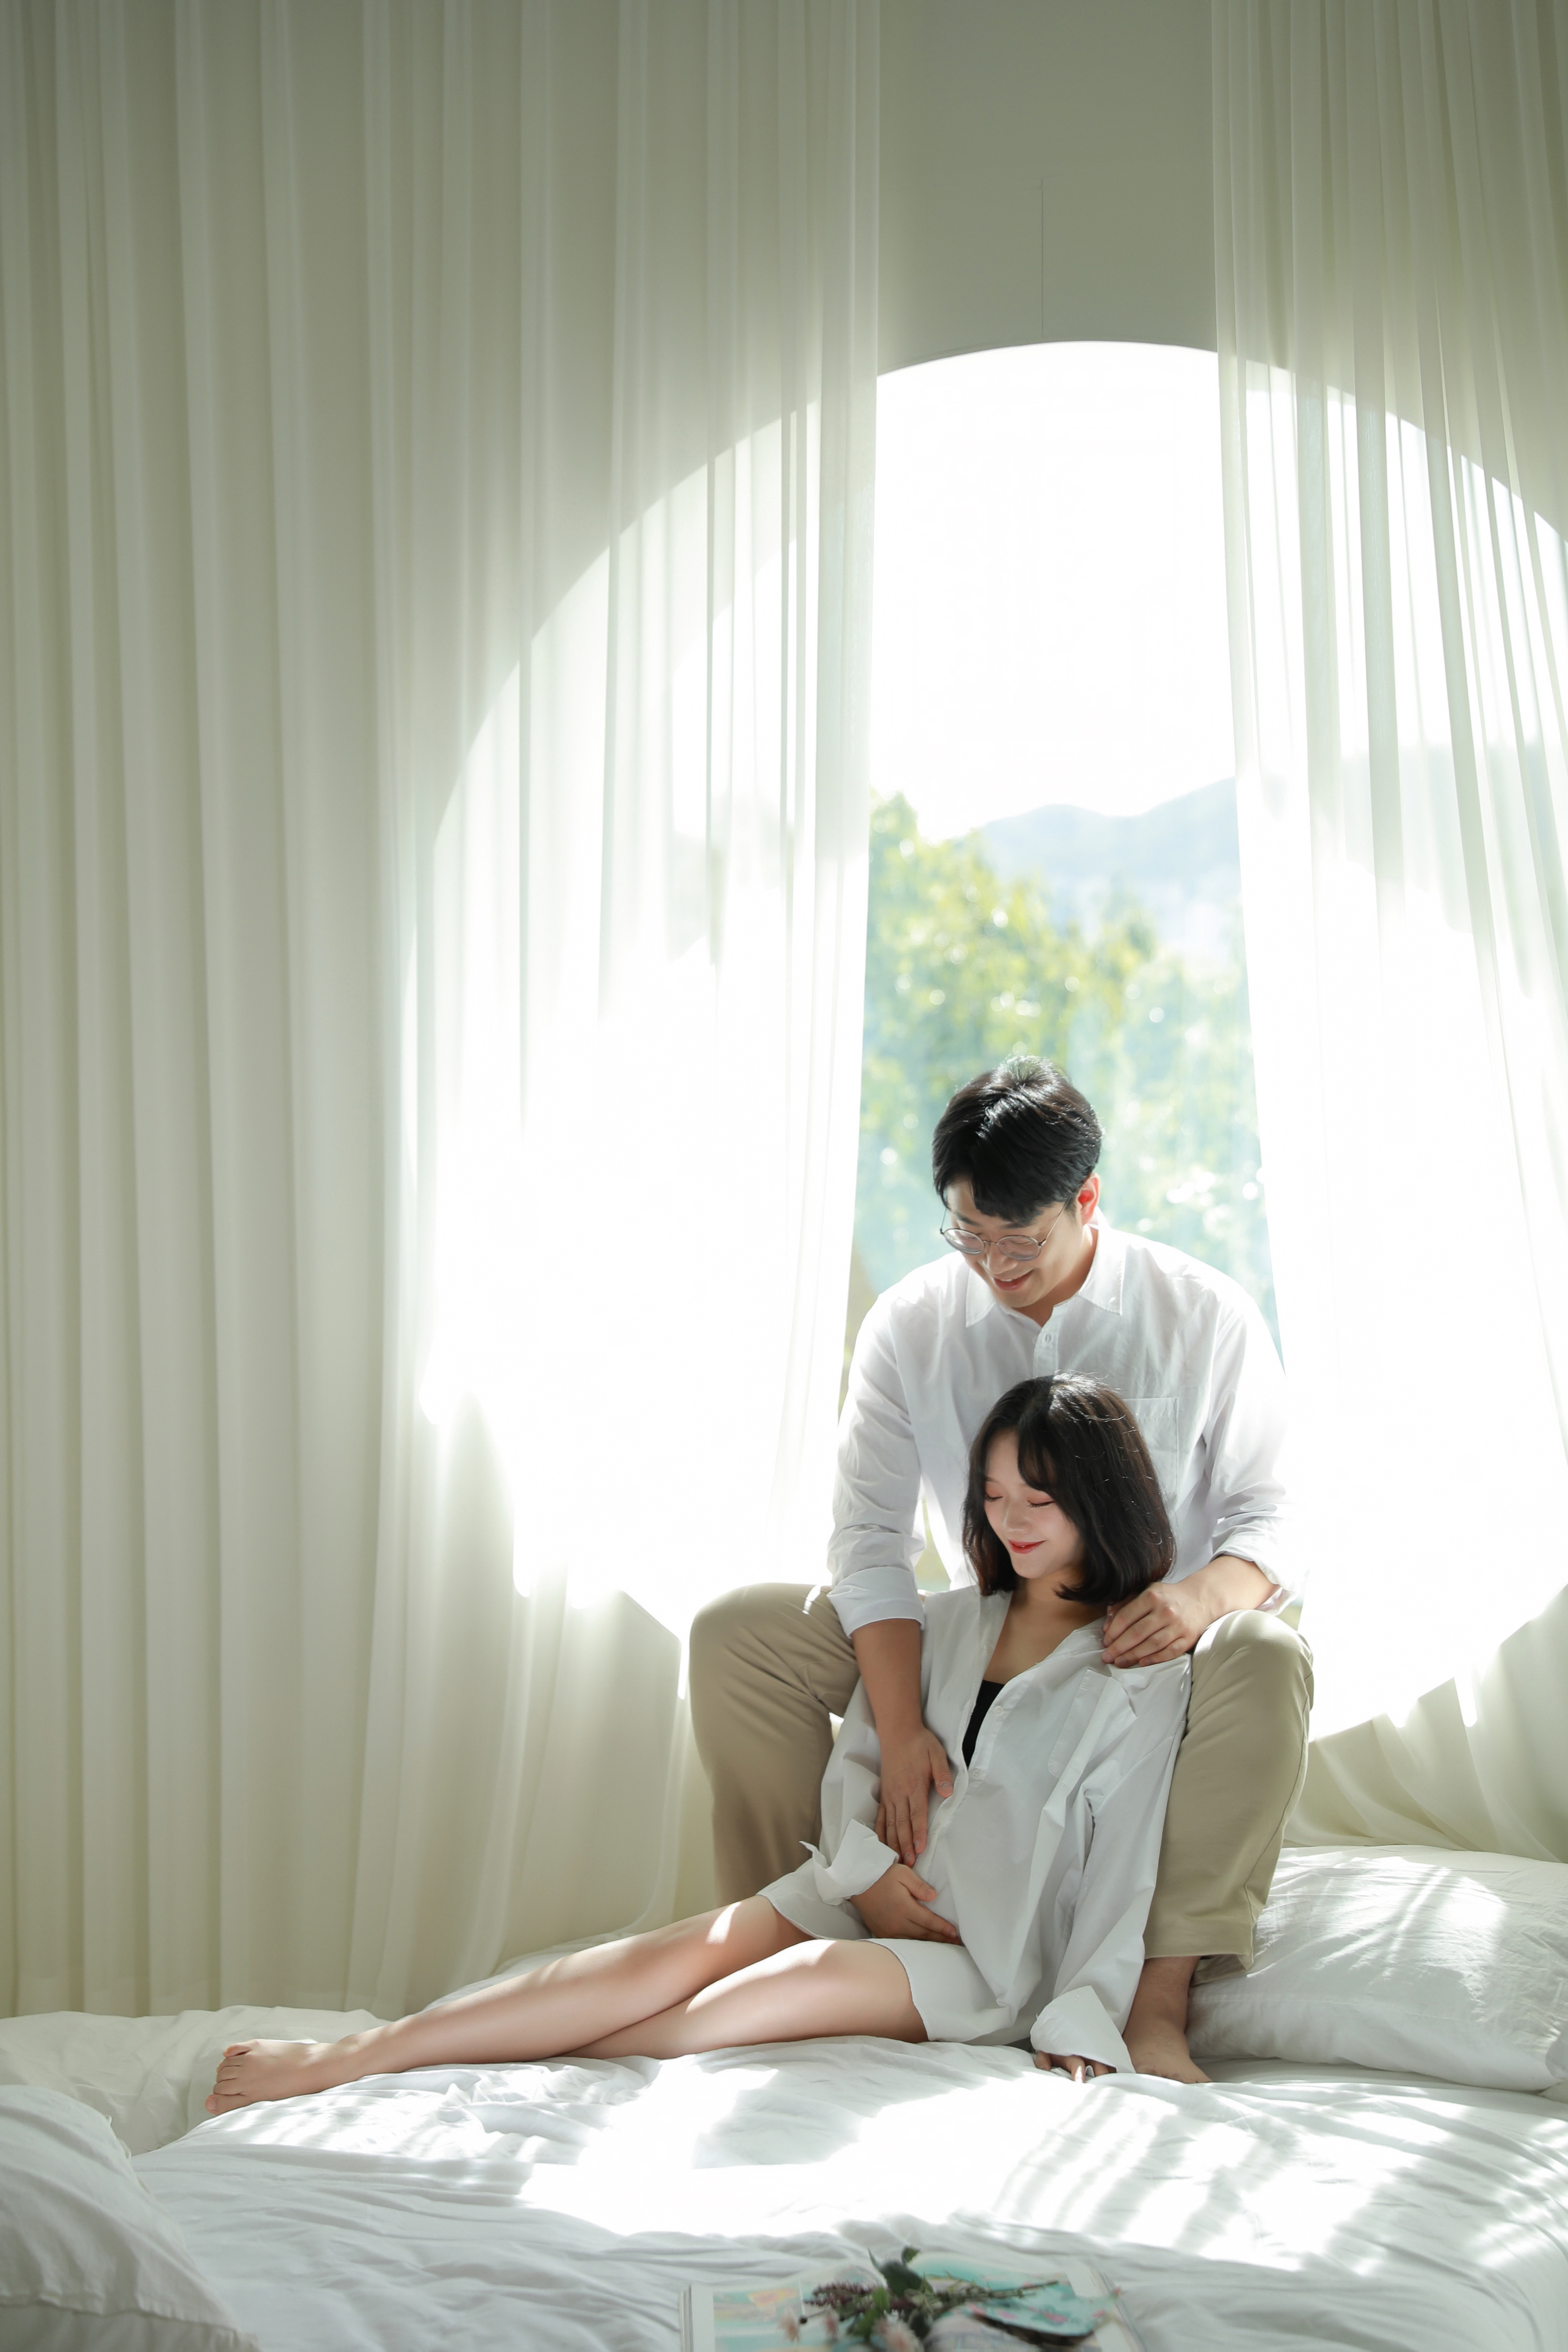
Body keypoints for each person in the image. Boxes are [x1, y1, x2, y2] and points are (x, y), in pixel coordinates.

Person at [207, 1377, 1189, 2113]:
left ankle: (431, 2071)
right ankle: (357, 2057)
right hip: (856, 1894)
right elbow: (858, 1765)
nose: (1009, 1522)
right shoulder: (945, 1623)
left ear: (1099, 1502)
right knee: (656, 1959)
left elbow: (1125, 1867)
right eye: (993, 1495)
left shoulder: (1137, 1677)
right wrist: (866, 1876)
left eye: (1038, 1501)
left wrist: (1082, 2017)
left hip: (980, 1961)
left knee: (766, 1993)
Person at [689, 1057, 1314, 2084]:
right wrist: (901, 1730)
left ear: (1088, 1199)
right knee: (739, 1635)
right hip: (984, 1639)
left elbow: (1274, 1516)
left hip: (1146, 1661)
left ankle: (1156, 2006)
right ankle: (794, 1925)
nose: (993, 1264)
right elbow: (870, 1541)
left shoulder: (1202, 1314)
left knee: (1268, 1653)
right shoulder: (913, 1324)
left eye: (1018, 1240)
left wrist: (1198, 1600)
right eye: (967, 1234)